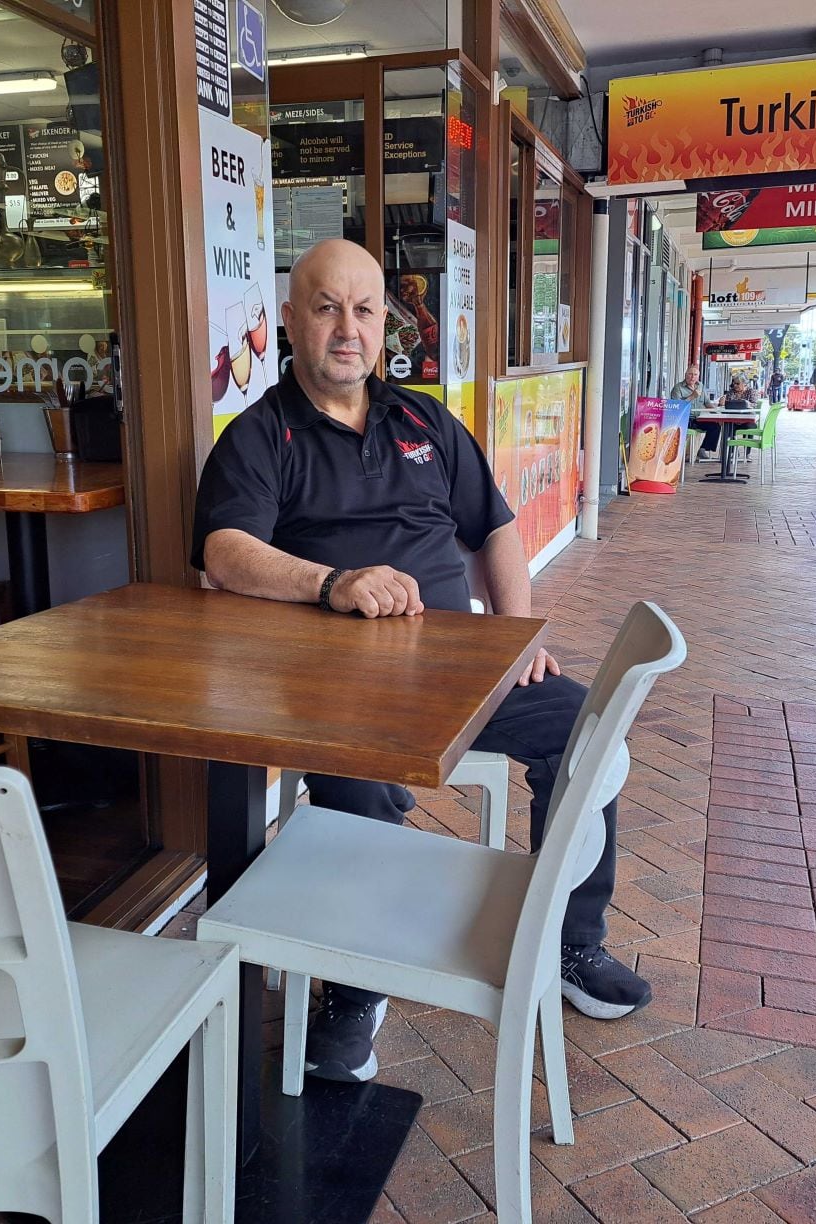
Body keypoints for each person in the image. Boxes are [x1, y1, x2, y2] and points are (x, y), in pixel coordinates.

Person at [191, 239, 647, 1084]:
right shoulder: (261, 436)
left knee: (589, 731)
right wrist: (332, 583)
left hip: (454, 664)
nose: (346, 329)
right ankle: (357, 986)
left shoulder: (425, 421)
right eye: (326, 308)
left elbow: (496, 528)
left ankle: (574, 942)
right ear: (291, 321)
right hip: (329, 681)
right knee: (353, 778)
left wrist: (518, 638)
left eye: (364, 310)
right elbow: (224, 553)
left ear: (383, 326)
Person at [669, 363, 718, 458]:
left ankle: (703, 448)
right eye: (690, 374)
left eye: (695, 375)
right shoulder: (678, 388)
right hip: (685, 419)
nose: (692, 377)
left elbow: (707, 403)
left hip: (699, 418)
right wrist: (692, 396)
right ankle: (679, 456)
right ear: (685, 375)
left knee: (715, 425)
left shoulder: (701, 386)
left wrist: (717, 412)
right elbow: (676, 407)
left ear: (698, 376)